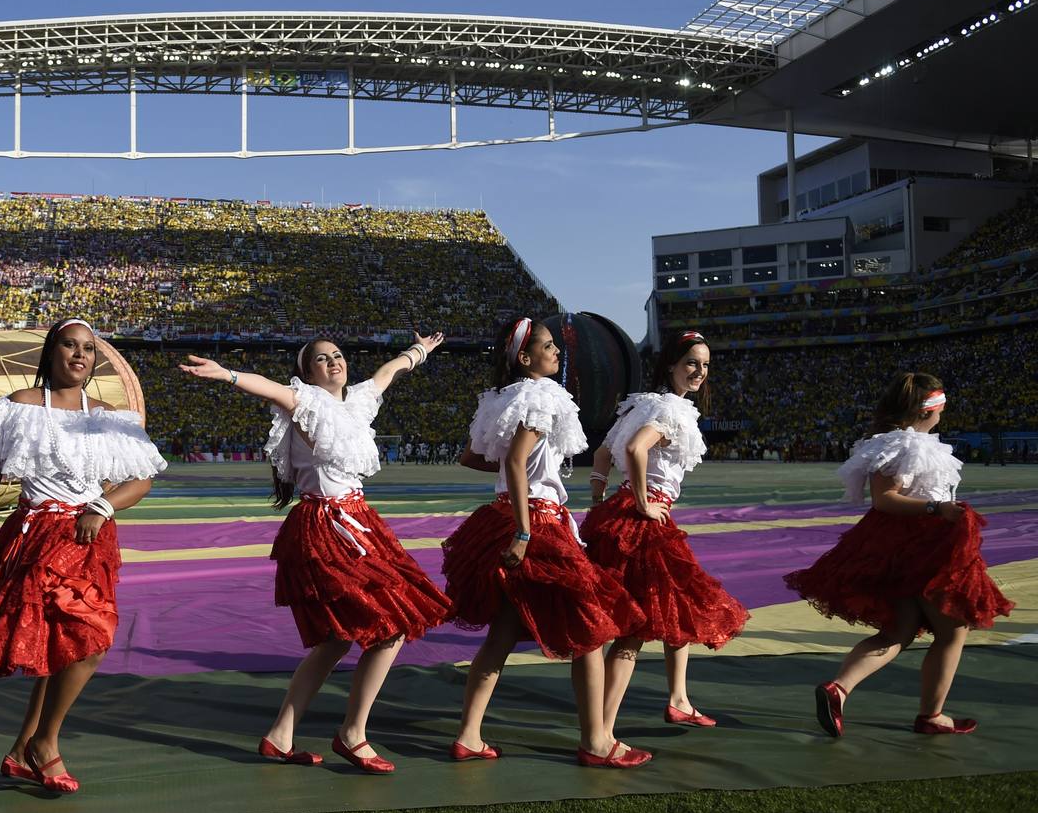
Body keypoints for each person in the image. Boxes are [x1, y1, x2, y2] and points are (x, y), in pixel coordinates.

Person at [180, 334, 449, 773]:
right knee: (389, 626)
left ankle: (281, 736)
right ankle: (352, 734)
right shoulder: (303, 401)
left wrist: (419, 352)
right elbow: (267, 386)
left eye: (338, 355)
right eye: (321, 359)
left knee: (338, 638)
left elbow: (388, 371)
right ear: (307, 373)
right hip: (328, 527)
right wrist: (227, 374)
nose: (333, 362)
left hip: (357, 522)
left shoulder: (358, 401)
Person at [0, 318, 164, 793]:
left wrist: (104, 506)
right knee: (79, 641)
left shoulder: (108, 414)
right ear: (51, 352)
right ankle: (42, 745)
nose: (80, 355)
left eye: (89, 348)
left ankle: (27, 747)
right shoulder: (22, 405)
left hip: (89, 539)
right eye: (70, 345)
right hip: (36, 538)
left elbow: (142, 479)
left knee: (80, 641)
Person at [442, 318, 649, 767]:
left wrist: (516, 482)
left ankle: (469, 736)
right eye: (549, 346)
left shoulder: (504, 399)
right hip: (536, 523)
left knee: (502, 632)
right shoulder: (540, 397)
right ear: (525, 357)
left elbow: (475, 458)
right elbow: (516, 462)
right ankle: (596, 741)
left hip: (512, 514)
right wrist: (523, 526)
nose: (557, 352)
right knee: (591, 632)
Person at [785, 373, 1013, 737]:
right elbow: (885, 498)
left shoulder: (895, 443)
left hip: (900, 545)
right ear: (929, 409)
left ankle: (838, 688)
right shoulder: (909, 446)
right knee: (952, 631)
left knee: (899, 630)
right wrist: (936, 510)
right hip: (924, 545)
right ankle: (931, 715)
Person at [580, 330, 748, 734]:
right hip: (643, 517)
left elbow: (604, 453)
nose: (700, 372)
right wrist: (641, 500)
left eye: (705, 365)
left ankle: (679, 699)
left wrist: (600, 496)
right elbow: (636, 449)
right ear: (671, 364)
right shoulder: (669, 410)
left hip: (620, 513)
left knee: (674, 604)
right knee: (635, 631)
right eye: (692, 362)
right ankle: (602, 730)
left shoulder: (643, 404)